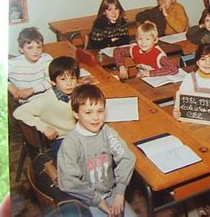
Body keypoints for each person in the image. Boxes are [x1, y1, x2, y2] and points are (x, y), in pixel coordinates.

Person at [57, 84, 136, 216]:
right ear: (76, 114)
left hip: (110, 193)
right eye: (88, 112)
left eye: (100, 111)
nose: (96, 118)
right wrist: (98, 201)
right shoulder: (71, 143)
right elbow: (68, 182)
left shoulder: (106, 132)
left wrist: (120, 192)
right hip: (83, 199)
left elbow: (128, 157)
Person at [13, 56, 80, 155]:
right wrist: (43, 127)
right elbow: (18, 112)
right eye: (63, 79)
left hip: (78, 134)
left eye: (72, 78)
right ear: (53, 82)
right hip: (61, 139)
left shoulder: (77, 94)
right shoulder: (46, 99)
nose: (69, 83)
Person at [173, 43, 210, 124]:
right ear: (197, 62)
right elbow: (181, 100)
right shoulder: (189, 78)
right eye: (203, 59)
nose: (207, 63)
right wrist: (177, 110)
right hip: (192, 119)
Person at [114, 21, 178, 80]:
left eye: (147, 39)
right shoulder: (135, 49)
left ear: (155, 40)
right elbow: (117, 51)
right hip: (143, 80)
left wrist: (150, 73)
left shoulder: (158, 54)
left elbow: (173, 69)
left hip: (158, 80)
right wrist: (121, 66)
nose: (143, 42)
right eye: (140, 39)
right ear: (136, 39)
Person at [8, 27, 52, 102]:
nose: (35, 51)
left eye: (39, 47)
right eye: (30, 48)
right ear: (21, 49)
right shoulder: (13, 64)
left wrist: (32, 90)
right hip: (26, 103)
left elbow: (52, 80)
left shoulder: (46, 59)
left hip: (47, 98)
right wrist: (11, 87)